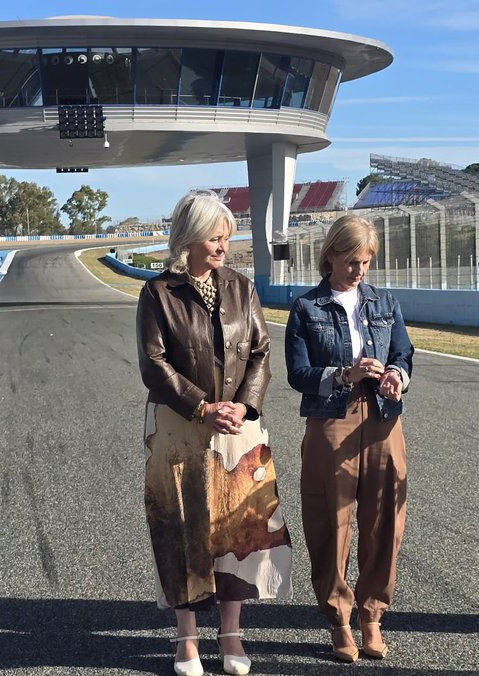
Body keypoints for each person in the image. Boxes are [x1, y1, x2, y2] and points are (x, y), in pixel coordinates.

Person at [136, 191, 292, 676]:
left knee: (238, 532)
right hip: (181, 427)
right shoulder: (157, 294)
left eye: (226, 236)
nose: (224, 245)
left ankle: (231, 633)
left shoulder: (242, 288)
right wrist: (202, 407)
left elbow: (262, 352)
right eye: (214, 237)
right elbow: (153, 363)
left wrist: (244, 406)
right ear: (188, 238)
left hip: (238, 429)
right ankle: (186, 638)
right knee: (182, 528)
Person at [284, 214, 414, 663]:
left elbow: (403, 352)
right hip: (330, 419)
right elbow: (297, 374)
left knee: (384, 521)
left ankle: (372, 616)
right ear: (331, 255)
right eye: (351, 260)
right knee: (329, 522)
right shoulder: (306, 308)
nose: (359, 270)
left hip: (383, 418)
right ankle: (339, 619)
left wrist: (397, 375)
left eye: (366, 261)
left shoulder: (386, 303)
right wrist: (344, 374)